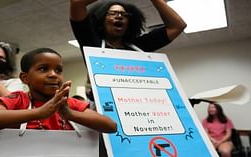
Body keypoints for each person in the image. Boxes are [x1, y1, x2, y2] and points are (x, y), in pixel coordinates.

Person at [70, 1, 186, 156]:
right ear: (101, 18)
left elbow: (177, 26)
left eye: (124, 15)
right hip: (105, 118)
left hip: (141, 116)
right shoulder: (91, 43)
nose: (119, 16)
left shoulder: (140, 46)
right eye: (113, 13)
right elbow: (77, 4)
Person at [0, 47, 117, 135]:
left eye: (58, 70)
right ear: (25, 78)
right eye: (43, 69)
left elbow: (111, 126)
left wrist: (70, 114)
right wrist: (39, 113)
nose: (53, 74)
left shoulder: (69, 103)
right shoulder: (18, 99)